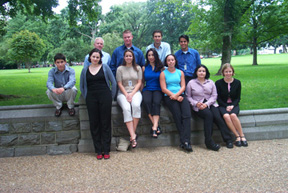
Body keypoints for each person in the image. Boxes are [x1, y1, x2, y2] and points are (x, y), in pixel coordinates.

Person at [186, 65, 234, 151]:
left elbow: (214, 95)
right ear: (196, 72)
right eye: (199, 71)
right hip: (198, 106)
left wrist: (207, 104)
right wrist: (196, 103)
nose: (201, 72)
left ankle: (228, 140)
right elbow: (188, 96)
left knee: (218, 117)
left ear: (206, 73)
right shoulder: (191, 83)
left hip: (211, 103)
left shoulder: (211, 82)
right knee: (209, 115)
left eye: (203, 71)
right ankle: (209, 142)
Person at [80, 48, 116, 160]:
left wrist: (111, 96)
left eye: (97, 57)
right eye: (93, 56)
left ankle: (106, 149)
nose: (95, 58)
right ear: (89, 57)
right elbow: (82, 86)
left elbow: (113, 82)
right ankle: (98, 150)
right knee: (94, 123)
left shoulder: (105, 67)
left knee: (105, 123)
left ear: (100, 58)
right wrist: (86, 96)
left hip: (105, 96)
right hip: (91, 98)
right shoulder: (85, 70)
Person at [159, 54, 192, 152]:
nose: (170, 62)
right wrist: (173, 96)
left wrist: (177, 95)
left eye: (172, 60)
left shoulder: (180, 72)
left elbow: (183, 86)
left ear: (175, 61)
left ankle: (186, 141)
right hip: (169, 97)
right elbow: (164, 88)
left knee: (187, 115)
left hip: (180, 95)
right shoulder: (163, 74)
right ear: (166, 62)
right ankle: (185, 141)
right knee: (177, 116)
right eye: (168, 60)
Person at [215, 63, 248, 147]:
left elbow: (237, 98)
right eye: (226, 72)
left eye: (230, 71)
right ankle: (237, 136)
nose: (228, 73)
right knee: (226, 116)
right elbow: (218, 98)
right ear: (223, 73)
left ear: (233, 72)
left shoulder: (237, 82)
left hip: (234, 104)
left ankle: (242, 136)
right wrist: (226, 106)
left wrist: (232, 105)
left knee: (233, 115)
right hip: (223, 105)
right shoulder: (218, 83)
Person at [116, 49, 143, 148]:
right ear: (124, 57)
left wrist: (131, 94)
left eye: (130, 56)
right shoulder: (120, 69)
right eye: (126, 56)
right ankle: (133, 136)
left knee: (136, 105)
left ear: (133, 57)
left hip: (135, 92)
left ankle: (132, 135)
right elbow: (119, 84)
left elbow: (139, 82)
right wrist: (127, 94)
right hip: (122, 93)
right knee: (126, 108)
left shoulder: (138, 68)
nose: (128, 58)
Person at [142, 48, 164, 138]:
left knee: (156, 103)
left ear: (156, 56)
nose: (151, 57)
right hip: (148, 88)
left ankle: (154, 127)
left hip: (158, 89)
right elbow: (142, 81)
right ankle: (156, 126)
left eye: (152, 55)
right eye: (149, 55)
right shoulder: (144, 67)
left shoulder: (161, 67)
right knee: (146, 102)